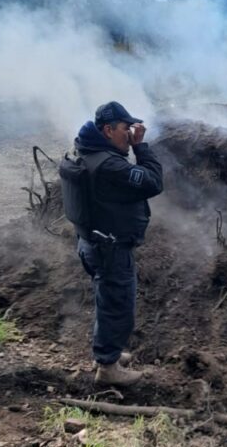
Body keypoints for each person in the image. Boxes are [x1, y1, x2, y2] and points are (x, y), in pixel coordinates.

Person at [69, 101, 163, 385]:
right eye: (126, 128)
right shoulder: (109, 165)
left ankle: (106, 354)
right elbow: (153, 182)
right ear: (108, 130)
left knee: (107, 300)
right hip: (110, 247)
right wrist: (141, 148)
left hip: (93, 243)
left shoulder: (88, 150)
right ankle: (108, 369)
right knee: (118, 306)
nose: (131, 133)